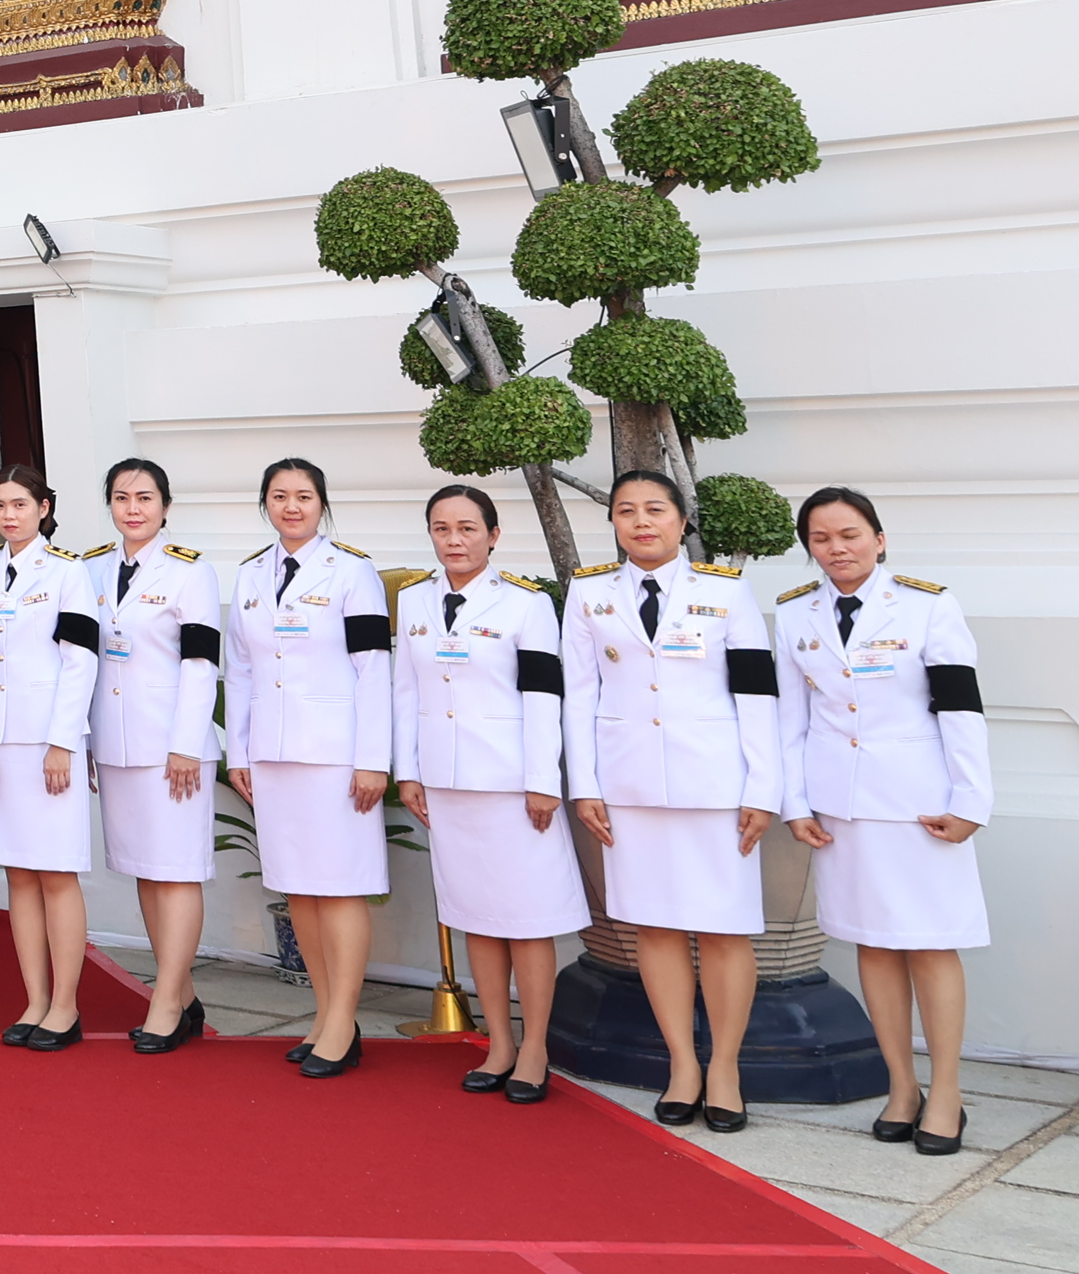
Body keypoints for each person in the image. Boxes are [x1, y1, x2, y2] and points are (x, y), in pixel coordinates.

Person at [774, 486, 986, 1157]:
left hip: (920, 804)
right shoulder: (795, 614)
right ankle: (902, 1087)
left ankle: (945, 1090)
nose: (836, 549)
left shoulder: (927, 606)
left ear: (879, 538)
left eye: (849, 535)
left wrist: (970, 801)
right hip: (842, 805)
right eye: (821, 538)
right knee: (874, 943)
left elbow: (959, 706)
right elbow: (790, 719)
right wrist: (796, 803)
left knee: (929, 942)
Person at [566, 466, 779, 1133]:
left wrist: (763, 787)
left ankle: (725, 1069)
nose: (641, 521)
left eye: (655, 509)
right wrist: (585, 784)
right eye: (626, 511)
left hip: (715, 787)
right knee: (653, 926)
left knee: (721, 929)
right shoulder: (588, 593)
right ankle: (683, 1063)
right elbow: (578, 693)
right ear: (614, 525)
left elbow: (757, 692)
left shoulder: (727, 592)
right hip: (629, 788)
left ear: (683, 521)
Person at [389, 485, 581, 1104]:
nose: (455, 540)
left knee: (527, 919)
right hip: (445, 783)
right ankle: (498, 1042)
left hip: (511, 784)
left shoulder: (525, 604)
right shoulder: (414, 599)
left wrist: (541, 780)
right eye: (442, 528)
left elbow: (543, 695)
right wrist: (408, 770)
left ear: (493, 536)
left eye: (468, 528)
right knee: (476, 916)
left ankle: (534, 1047)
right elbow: (404, 691)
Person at [223, 457, 393, 1079]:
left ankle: (343, 1022)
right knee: (299, 887)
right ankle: (325, 1015)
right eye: (278, 496)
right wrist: (237, 752)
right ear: (264, 504)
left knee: (341, 885)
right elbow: (238, 670)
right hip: (272, 753)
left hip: (337, 755)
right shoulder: (247, 576)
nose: (291, 507)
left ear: (322, 503)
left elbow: (375, 668)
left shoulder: (353, 571)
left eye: (303, 496)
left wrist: (374, 760)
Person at [90, 458, 221, 1055]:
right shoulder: (90, 569)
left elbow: (200, 664)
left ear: (166, 505)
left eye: (145, 497)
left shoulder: (191, 573)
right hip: (116, 743)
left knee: (177, 869)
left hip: (172, 747)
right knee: (145, 867)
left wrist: (187, 743)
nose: (133, 508)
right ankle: (185, 994)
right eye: (121, 497)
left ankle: (165, 1000)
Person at [0, 461, 94, 1051]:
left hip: (48, 744)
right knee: (18, 874)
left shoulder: (70, 572)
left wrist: (64, 741)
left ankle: (66, 1005)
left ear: (44, 509)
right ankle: (35, 999)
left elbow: (81, 660)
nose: (9, 515)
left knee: (56, 872)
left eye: (20, 504)